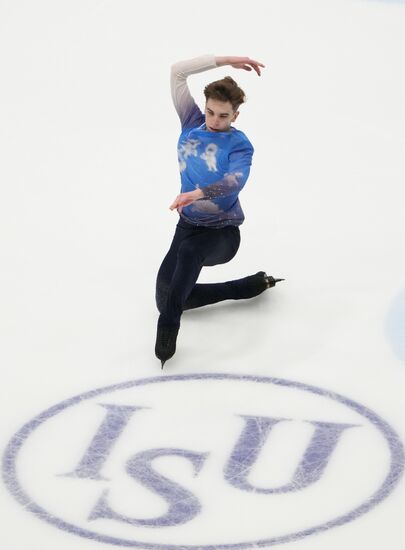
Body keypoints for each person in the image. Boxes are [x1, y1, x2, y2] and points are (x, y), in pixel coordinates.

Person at [155, 54, 284, 368]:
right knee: (165, 297)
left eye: (223, 116)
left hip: (223, 233)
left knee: (187, 255)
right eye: (210, 111)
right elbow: (177, 72)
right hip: (188, 224)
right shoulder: (191, 122)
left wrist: (198, 193)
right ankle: (243, 287)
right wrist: (226, 61)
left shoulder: (240, 146)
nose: (214, 120)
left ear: (235, 116)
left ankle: (168, 329)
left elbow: (234, 182)